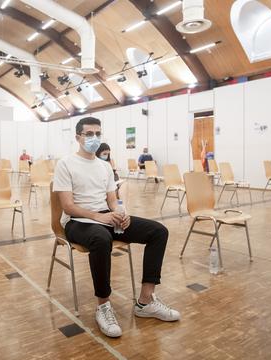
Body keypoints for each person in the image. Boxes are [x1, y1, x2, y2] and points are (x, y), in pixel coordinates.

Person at [53, 117, 179, 338]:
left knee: (158, 231)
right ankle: (103, 305)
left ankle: (146, 301)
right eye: (89, 134)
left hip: (105, 217)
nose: (94, 138)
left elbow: (112, 199)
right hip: (77, 222)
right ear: (78, 137)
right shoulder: (65, 164)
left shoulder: (105, 167)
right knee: (101, 239)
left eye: (98, 134)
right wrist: (98, 217)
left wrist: (121, 213)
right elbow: (68, 206)